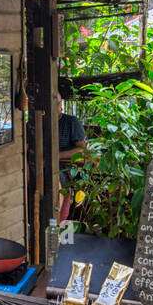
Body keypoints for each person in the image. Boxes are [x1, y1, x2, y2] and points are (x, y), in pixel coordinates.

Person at [57, 90, 86, 223]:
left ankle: (58, 220)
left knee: (55, 179)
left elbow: (82, 149)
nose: (56, 107)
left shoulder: (71, 122)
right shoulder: (37, 122)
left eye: (57, 103)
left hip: (66, 167)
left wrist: (57, 156)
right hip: (41, 164)